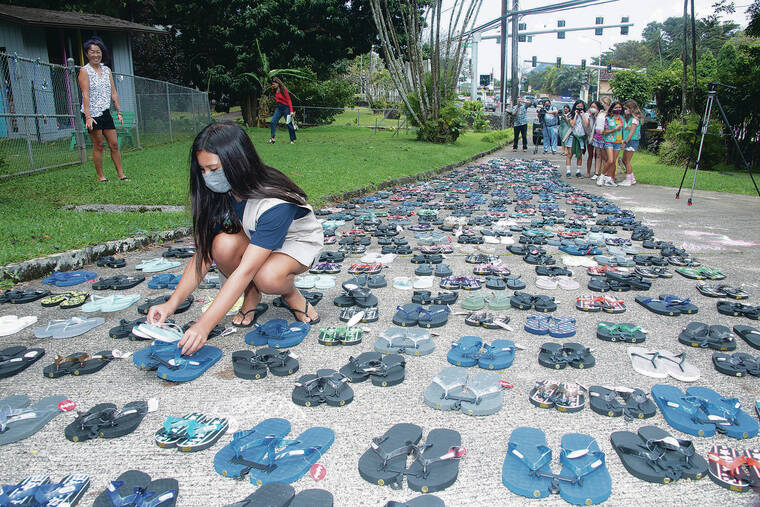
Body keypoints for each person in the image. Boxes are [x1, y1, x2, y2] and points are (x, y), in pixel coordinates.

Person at [147, 122, 323, 355]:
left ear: (237, 162)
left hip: (296, 243)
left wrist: (203, 327)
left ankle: (290, 293)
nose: (207, 177)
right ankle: (251, 294)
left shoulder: (274, 204)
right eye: (203, 170)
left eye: (213, 169)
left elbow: (245, 270)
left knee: (266, 276)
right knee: (220, 245)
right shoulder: (222, 193)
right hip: (254, 237)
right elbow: (203, 257)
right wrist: (170, 305)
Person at [77, 38, 128, 182]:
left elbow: (113, 92)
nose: (95, 55)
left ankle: (121, 175)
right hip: (92, 113)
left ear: (102, 53)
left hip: (105, 111)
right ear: (87, 54)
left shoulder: (106, 70)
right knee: (99, 144)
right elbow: (85, 94)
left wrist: (119, 111)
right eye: (92, 52)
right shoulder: (84, 71)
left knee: (114, 144)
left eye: (98, 52)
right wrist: (87, 117)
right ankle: (101, 176)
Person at [598, 101, 625, 187]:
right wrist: (615, 129)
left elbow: (624, 130)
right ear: (612, 109)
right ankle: (602, 176)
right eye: (616, 108)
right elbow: (605, 132)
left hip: (618, 142)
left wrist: (623, 141)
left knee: (613, 162)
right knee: (610, 160)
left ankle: (609, 179)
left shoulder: (622, 119)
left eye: (619, 108)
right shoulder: (608, 119)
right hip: (609, 141)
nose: (618, 109)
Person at [618, 99, 642, 186]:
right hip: (630, 141)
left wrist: (625, 142)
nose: (625, 110)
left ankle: (628, 179)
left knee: (627, 160)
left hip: (631, 142)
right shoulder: (631, 119)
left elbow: (632, 133)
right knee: (624, 160)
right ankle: (632, 177)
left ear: (630, 108)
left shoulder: (634, 120)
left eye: (626, 108)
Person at [564, 100, 589, 178]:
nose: (580, 108)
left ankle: (578, 171)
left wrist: (582, 115)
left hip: (581, 137)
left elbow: (587, 124)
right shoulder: (571, 115)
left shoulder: (586, 115)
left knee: (580, 155)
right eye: (578, 106)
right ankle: (568, 171)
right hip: (573, 136)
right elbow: (572, 124)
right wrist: (575, 115)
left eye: (581, 107)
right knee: (569, 154)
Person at [268, 78, 296, 145]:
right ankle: (272, 138)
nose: (273, 85)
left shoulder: (284, 90)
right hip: (279, 108)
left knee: (288, 124)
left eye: (274, 84)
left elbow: (289, 100)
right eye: (272, 84)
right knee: (273, 122)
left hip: (286, 108)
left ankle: (292, 140)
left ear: (278, 83)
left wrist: (291, 111)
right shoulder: (274, 90)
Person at [590, 97, 611, 181]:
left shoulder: (609, 113)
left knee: (604, 156)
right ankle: (596, 172)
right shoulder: (601, 112)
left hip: (604, 135)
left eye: (603, 103)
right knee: (597, 154)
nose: (602, 104)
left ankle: (604, 173)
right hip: (597, 134)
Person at [584, 100, 602, 177]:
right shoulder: (588, 116)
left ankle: (597, 171)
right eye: (591, 107)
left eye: (594, 107)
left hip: (598, 137)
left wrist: (596, 115)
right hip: (590, 137)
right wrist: (588, 116)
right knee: (590, 155)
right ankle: (588, 172)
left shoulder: (600, 116)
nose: (592, 108)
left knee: (598, 155)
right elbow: (586, 126)